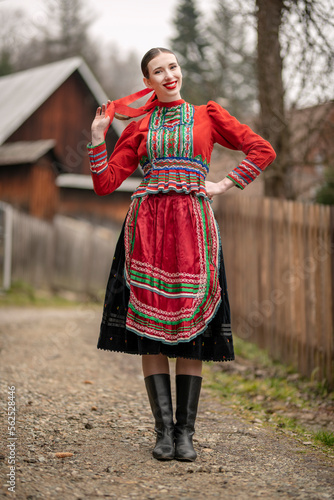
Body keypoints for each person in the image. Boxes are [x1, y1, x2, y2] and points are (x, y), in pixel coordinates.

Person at [87, 47, 276, 462]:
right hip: (148, 229)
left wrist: (223, 185)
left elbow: (261, 150)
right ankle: (162, 433)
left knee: (192, 321)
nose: (169, 75)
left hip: (194, 229)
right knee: (149, 325)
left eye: (173, 66)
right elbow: (105, 183)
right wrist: (99, 137)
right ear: (148, 81)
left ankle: (185, 433)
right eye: (159, 71)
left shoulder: (209, 115)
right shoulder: (138, 126)